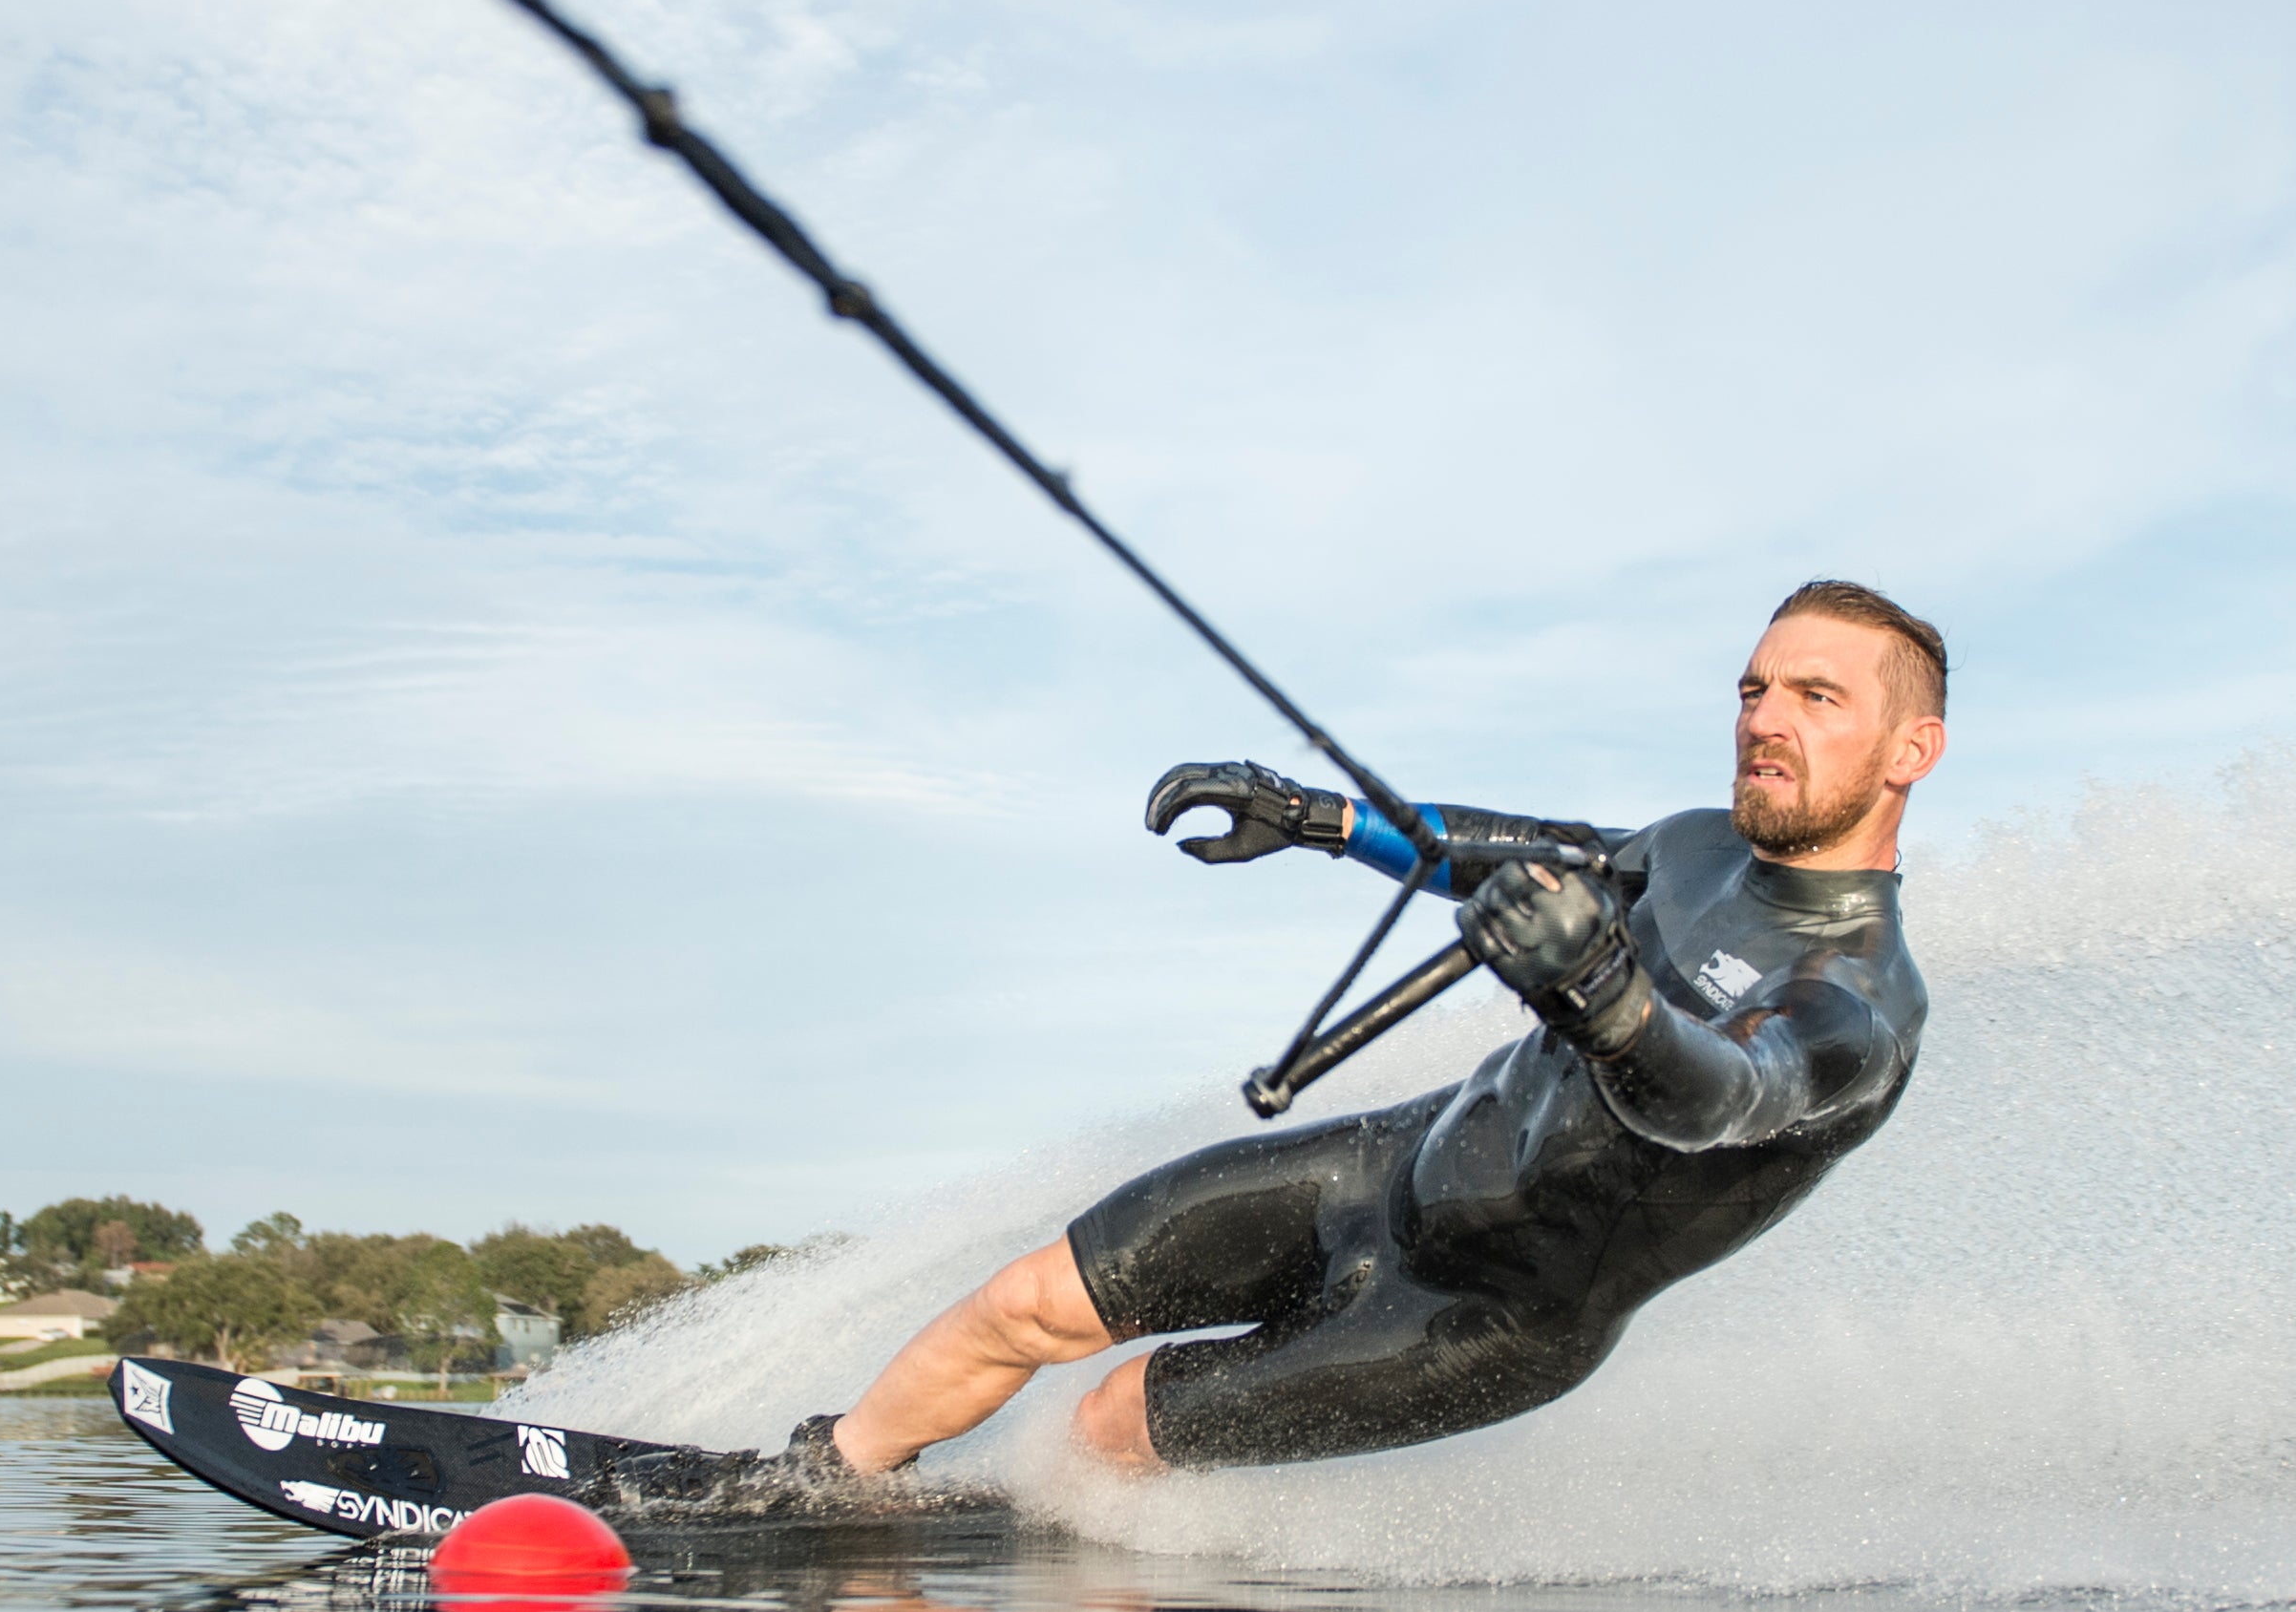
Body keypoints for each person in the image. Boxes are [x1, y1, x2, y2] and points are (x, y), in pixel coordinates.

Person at [804, 579, 1945, 1478]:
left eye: (1815, 696)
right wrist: (1320, 819)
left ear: (1910, 750)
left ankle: (1032, 1609)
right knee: (1027, 1301)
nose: (1764, 721)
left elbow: (1725, 1096)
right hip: (1387, 1162)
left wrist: (1604, 996)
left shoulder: (1861, 997)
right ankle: (826, 1474)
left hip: (1484, 1316)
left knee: (1110, 1425)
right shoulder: (1691, 844)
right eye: (1753, 689)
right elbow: (1513, 850)